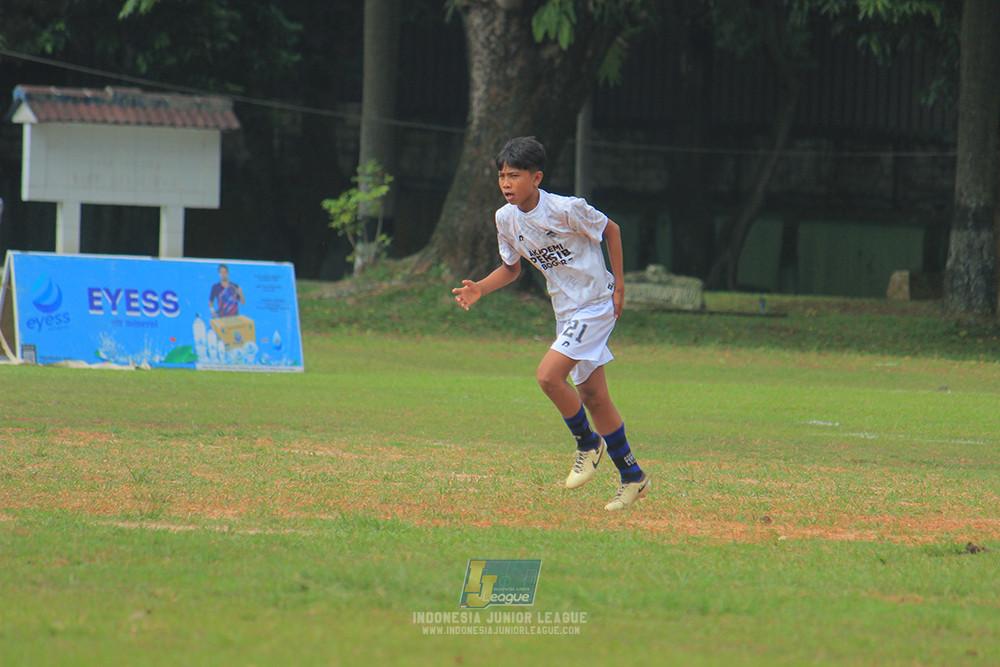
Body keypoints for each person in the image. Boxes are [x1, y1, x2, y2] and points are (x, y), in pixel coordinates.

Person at [452, 136, 651, 511]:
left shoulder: (567, 209)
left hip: (595, 304)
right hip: (566, 311)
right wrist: (480, 288)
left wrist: (620, 285)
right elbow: (512, 269)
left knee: (547, 376)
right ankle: (633, 477)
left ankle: (588, 443)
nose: (506, 183)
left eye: (515, 175)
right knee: (593, 396)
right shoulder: (505, 219)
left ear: (536, 177)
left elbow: (612, 230)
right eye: (502, 176)